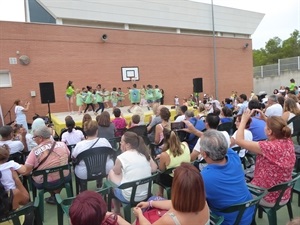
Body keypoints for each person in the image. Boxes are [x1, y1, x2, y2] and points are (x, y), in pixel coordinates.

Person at [236, 111, 296, 207]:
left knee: (237, 188)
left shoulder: (267, 147)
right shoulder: (288, 140)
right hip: (283, 194)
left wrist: (243, 120)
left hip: (267, 196)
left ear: (269, 131)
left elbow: (239, 141)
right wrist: (265, 119)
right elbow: (278, 128)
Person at [200, 129, 254, 225]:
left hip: (229, 221)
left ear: (204, 154)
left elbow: (199, 205)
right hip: (248, 212)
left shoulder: (204, 177)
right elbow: (220, 145)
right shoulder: (234, 157)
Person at [133, 163, 210, 225]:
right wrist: (150, 203)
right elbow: (173, 204)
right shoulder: (203, 203)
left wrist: (140, 215)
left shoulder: (170, 220)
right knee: (152, 199)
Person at [108, 131, 157, 216]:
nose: (120, 143)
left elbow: (116, 172)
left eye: (122, 141)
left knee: (111, 173)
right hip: (147, 193)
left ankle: (116, 210)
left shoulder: (121, 157)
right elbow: (154, 169)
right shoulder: (145, 154)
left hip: (129, 197)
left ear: (128, 145)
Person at [19, 126, 70, 204]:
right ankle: (56, 194)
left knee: (43, 175)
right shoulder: (62, 144)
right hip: (64, 177)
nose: (34, 139)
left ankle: (53, 195)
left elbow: (26, 171)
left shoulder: (34, 151)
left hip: (45, 182)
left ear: (40, 138)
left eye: (34, 137)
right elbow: (68, 157)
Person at [72, 120, 113, 190]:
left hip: (84, 173)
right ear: (97, 131)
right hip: (105, 169)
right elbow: (111, 153)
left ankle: (83, 190)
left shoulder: (79, 145)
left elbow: (73, 157)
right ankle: (99, 183)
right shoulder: (105, 141)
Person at [156, 129, 190, 197]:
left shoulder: (164, 155)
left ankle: (160, 193)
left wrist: (162, 157)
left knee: (159, 174)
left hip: (173, 180)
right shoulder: (185, 144)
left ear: (165, 140)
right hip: (187, 175)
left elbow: (162, 170)